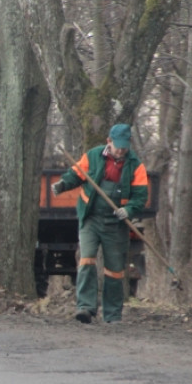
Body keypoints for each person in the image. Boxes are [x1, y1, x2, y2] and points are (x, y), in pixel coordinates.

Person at [51, 123, 149, 324]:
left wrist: (128, 210)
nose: (121, 150)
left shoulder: (136, 166)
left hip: (116, 223)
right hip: (91, 218)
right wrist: (62, 185)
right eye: (117, 146)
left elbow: (140, 197)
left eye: (124, 146)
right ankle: (85, 307)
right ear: (109, 142)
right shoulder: (93, 156)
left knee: (115, 269)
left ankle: (112, 315)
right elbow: (75, 175)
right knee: (87, 259)